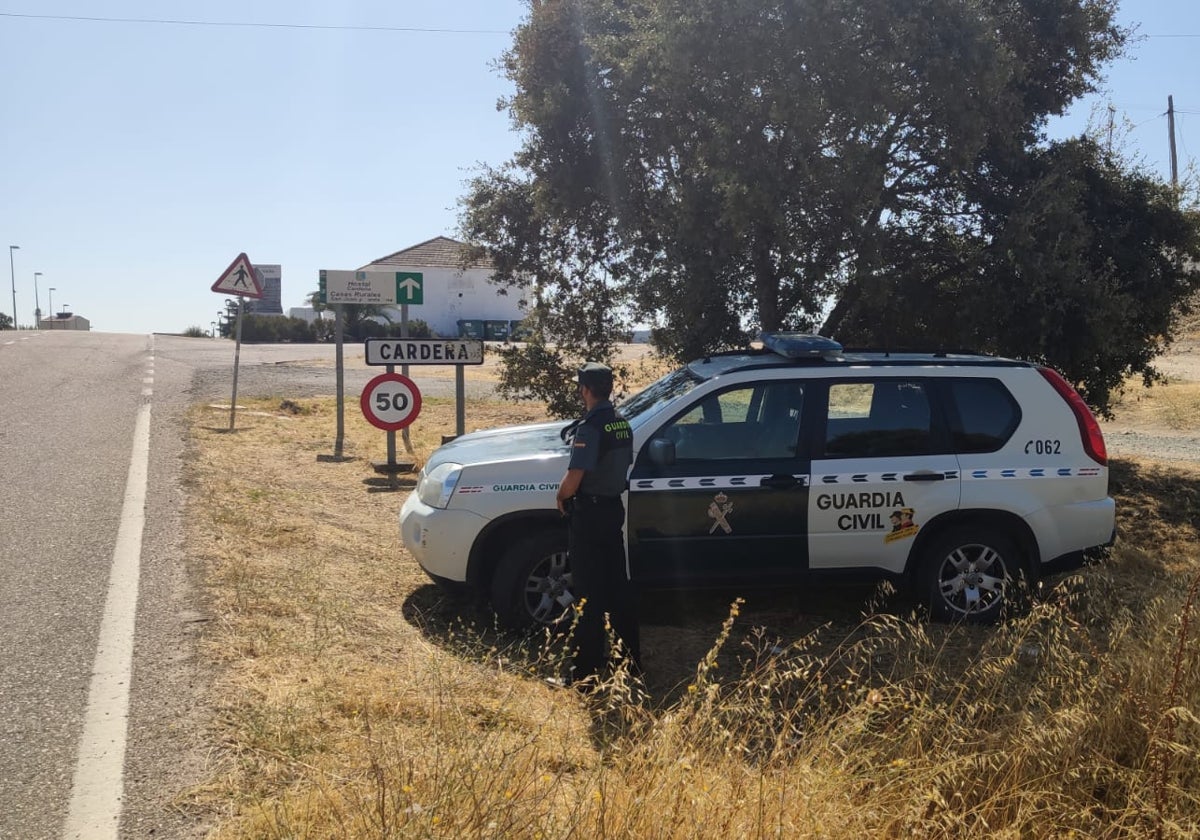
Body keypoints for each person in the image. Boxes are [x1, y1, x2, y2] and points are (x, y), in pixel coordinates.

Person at [555, 362, 639, 685]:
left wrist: (561, 496)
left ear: (585, 390)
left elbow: (574, 478)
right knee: (618, 589)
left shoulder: (590, 428)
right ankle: (628, 664)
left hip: (588, 515)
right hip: (613, 511)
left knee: (588, 595)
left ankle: (584, 673)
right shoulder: (623, 425)